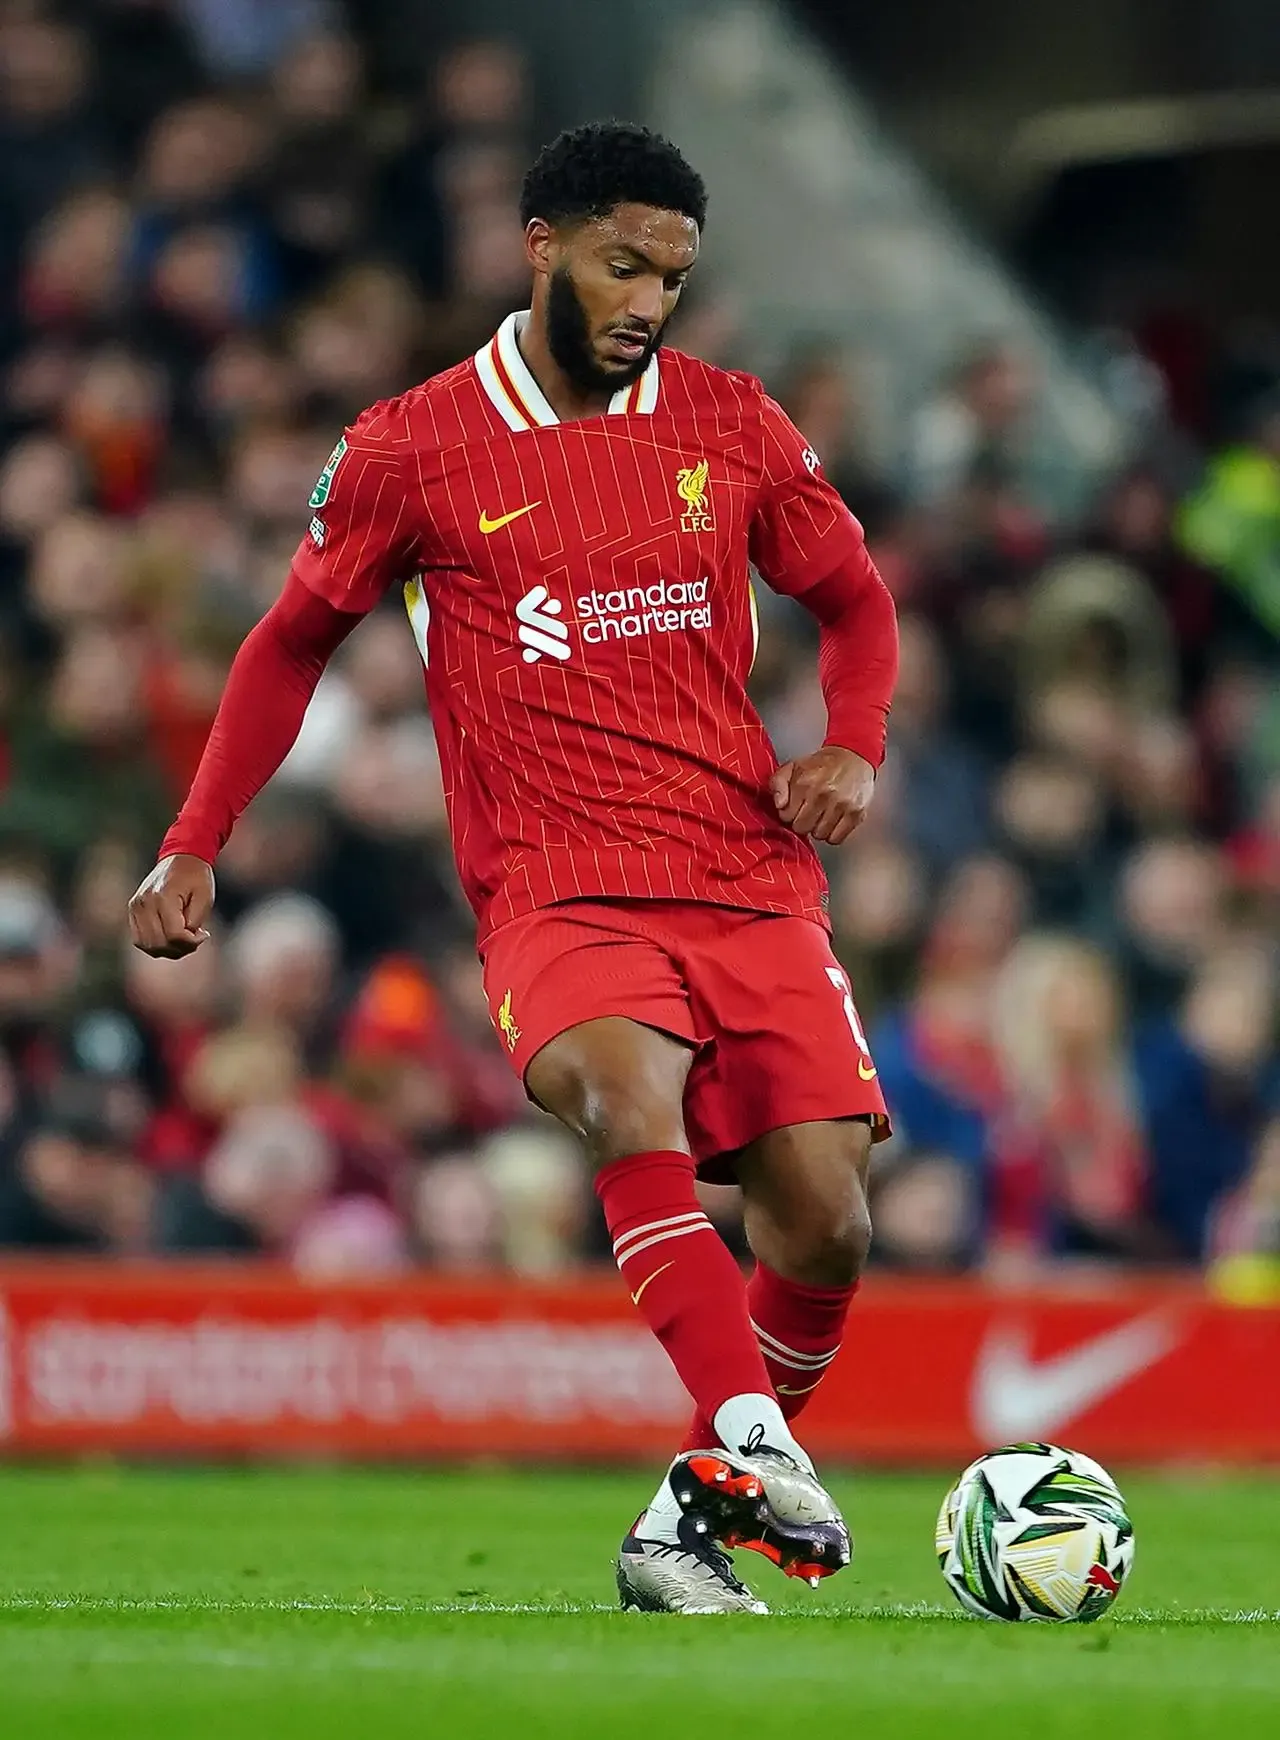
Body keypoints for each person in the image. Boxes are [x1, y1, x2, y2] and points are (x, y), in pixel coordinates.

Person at [128, 122, 899, 1615]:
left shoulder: (734, 425)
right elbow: (289, 647)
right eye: (623, 264)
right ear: (539, 242)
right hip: (556, 881)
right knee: (626, 1091)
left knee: (829, 1219)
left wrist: (851, 747)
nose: (647, 302)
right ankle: (751, 1437)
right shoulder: (410, 448)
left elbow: (857, 605)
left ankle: (682, 1526)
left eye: (672, 277)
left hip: (747, 871)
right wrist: (193, 841)